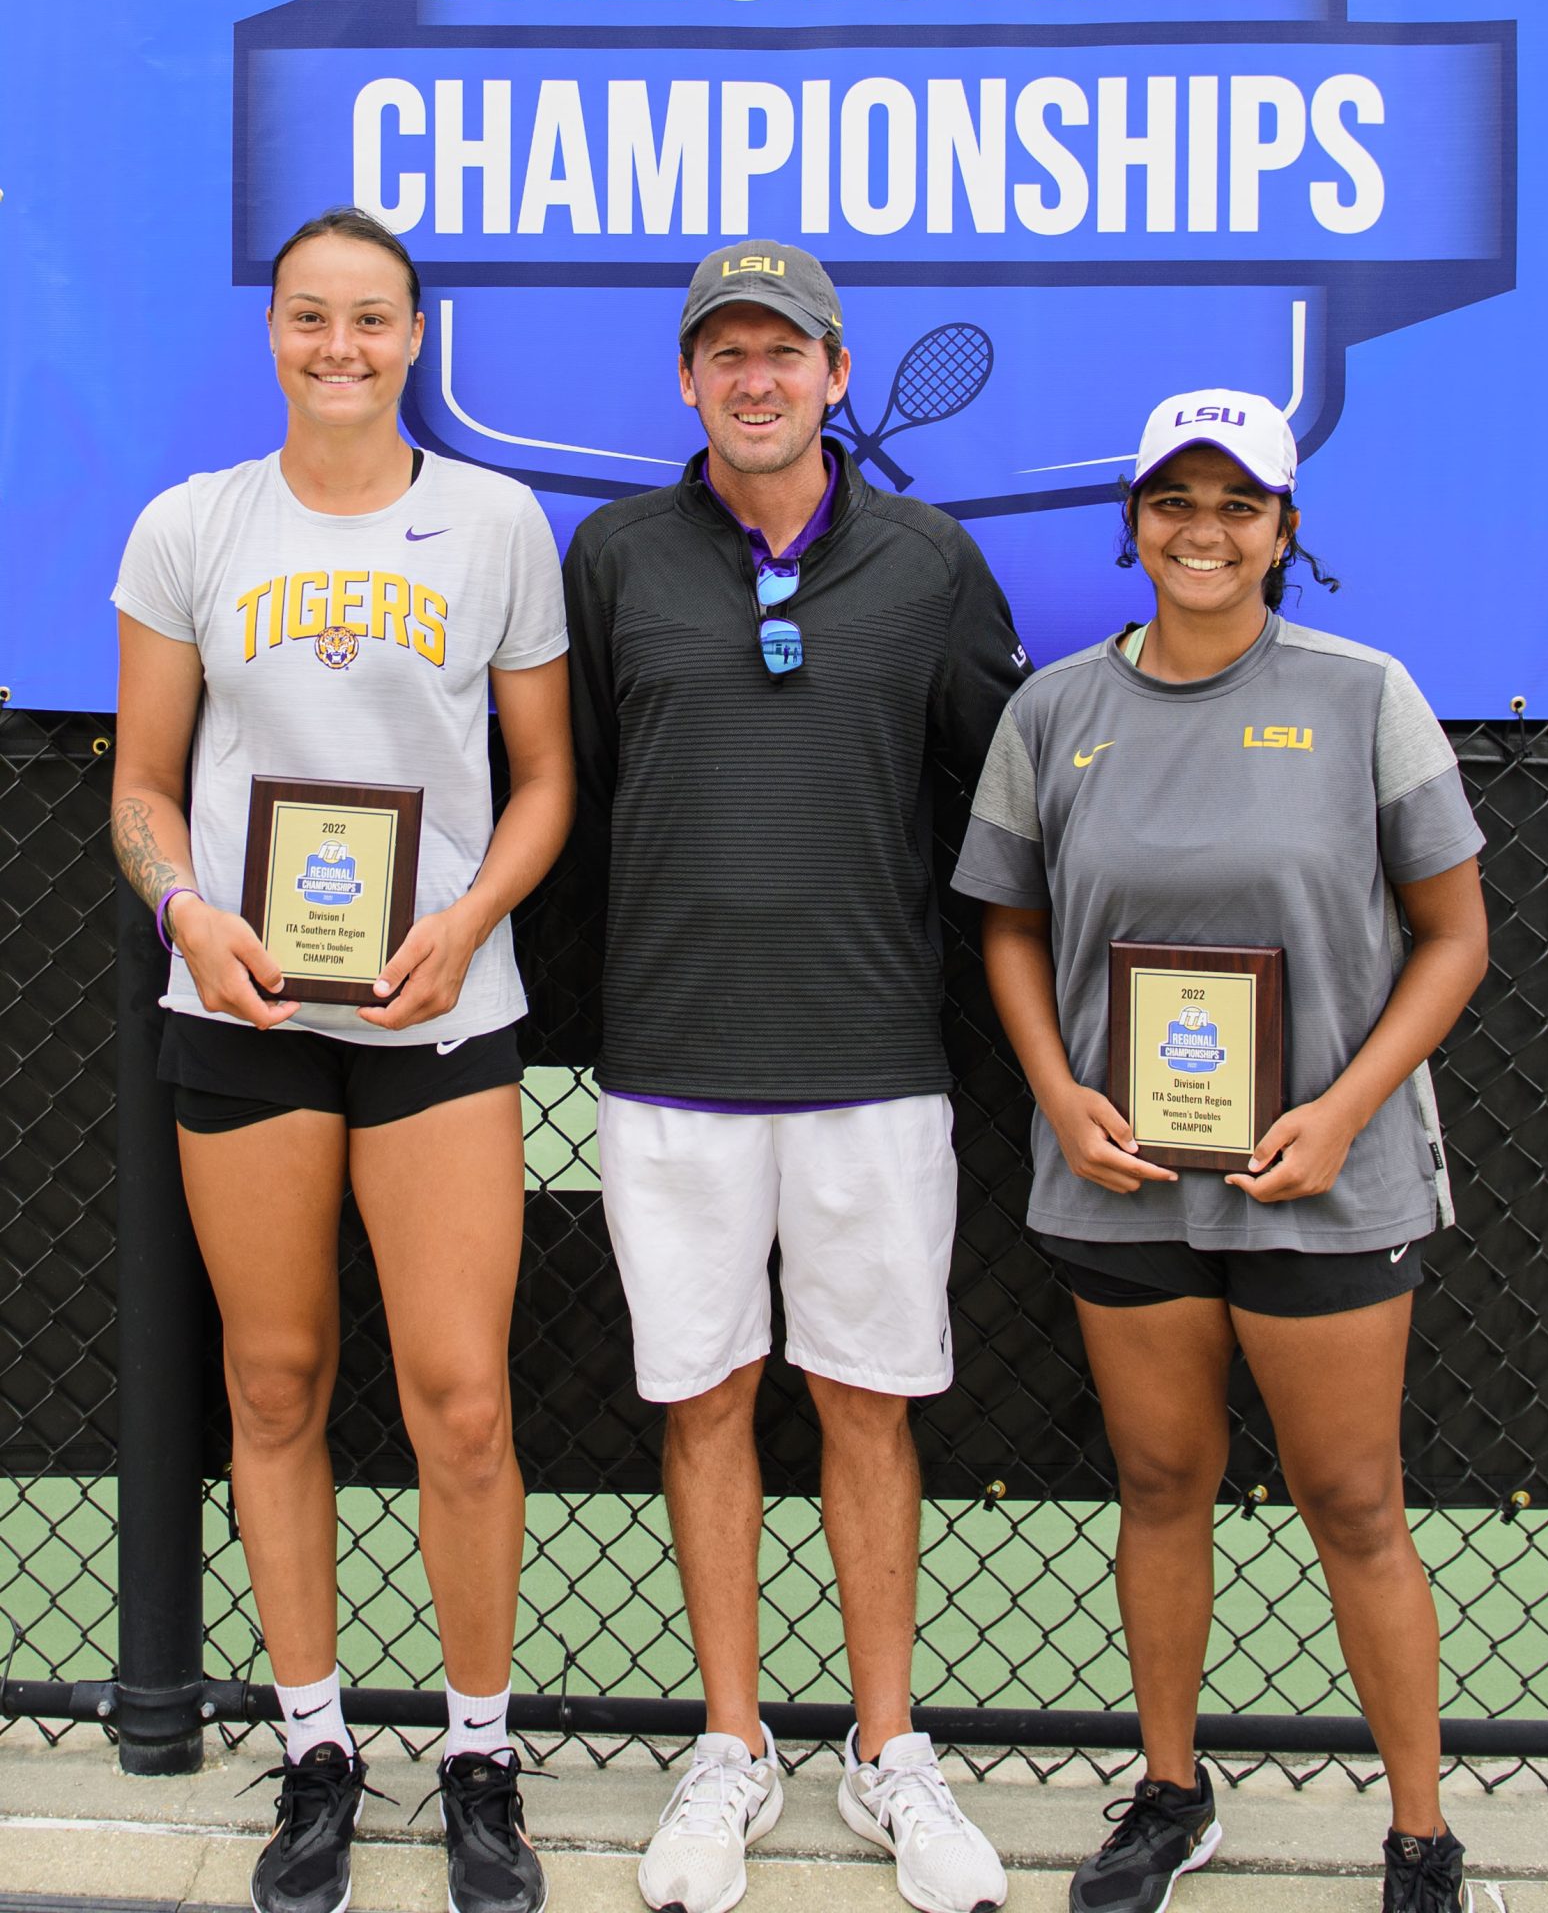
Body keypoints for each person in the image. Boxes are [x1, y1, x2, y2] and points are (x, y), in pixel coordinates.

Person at [951, 389, 1489, 1913]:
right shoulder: (1054, 712)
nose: (1203, 531)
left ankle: (1420, 1837)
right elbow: (1006, 925)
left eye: (1236, 504)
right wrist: (1058, 1092)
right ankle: (1173, 1792)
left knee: (1356, 1503)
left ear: (1283, 530)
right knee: (1163, 1479)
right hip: (1125, 1182)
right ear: (1130, 526)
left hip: (1327, 1175)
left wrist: (1345, 1110)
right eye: (1174, 502)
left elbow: (1455, 938)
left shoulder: (1360, 692)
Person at [110, 210, 571, 1913]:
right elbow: (145, 789)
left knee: (461, 1396)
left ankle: (475, 1750)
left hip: (438, 1017)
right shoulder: (192, 528)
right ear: (277, 330)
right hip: (243, 1019)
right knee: (276, 1382)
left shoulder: (496, 524)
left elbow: (544, 785)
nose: (341, 349)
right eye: (313, 318)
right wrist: (188, 920)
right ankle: (314, 1742)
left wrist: (464, 924)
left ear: (415, 335)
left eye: (372, 321)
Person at [565, 242, 1027, 1913]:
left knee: (865, 1401)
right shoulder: (613, 559)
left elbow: (995, 804)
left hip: (876, 1066)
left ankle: (889, 1749)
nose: (755, 379)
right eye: (725, 354)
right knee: (699, 1400)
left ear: (839, 373)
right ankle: (734, 1743)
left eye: (786, 352)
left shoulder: (931, 562)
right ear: (688, 382)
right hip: (671, 1064)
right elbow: (595, 793)